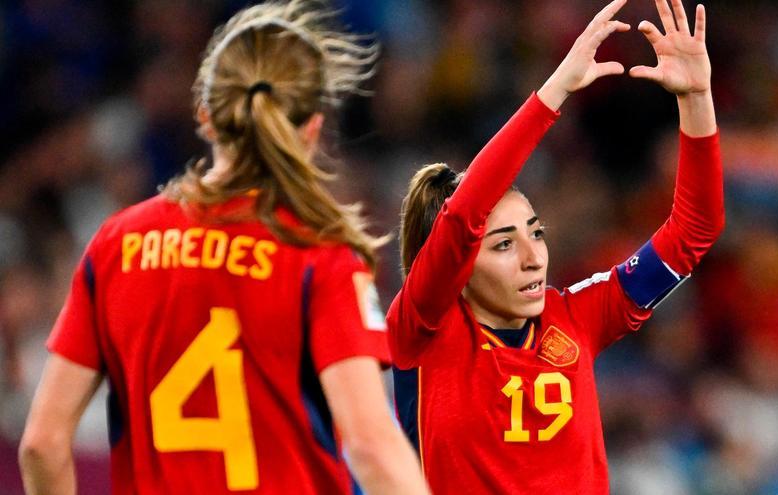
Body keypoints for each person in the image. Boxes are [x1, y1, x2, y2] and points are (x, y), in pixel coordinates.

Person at [18, 2, 429, 494]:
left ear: (205, 115)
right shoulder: (318, 256)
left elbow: (41, 443)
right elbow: (371, 447)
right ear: (314, 126)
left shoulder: (116, 245)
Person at [389, 0, 723, 493]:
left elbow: (695, 230)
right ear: (457, 263)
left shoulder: (576, 316)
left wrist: (697, 98)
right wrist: (557, 89)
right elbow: (462, 217)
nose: (533, 257)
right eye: (503, 245)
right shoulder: (424, 329)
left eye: (536, 232)